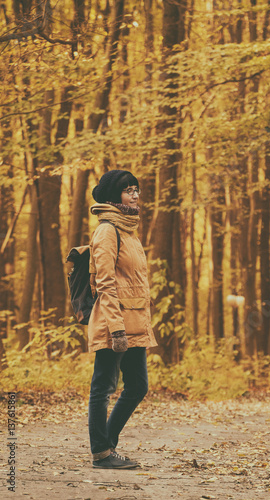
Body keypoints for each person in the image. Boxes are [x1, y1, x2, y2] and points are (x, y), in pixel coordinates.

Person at [88, 169, 157, 469]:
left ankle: (107, 444)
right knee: (103, 387)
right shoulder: (107, 231)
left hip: (135, 324)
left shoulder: (130, 232)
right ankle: (101, 453)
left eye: (136, 189)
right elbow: (105, 284)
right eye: (129, 189)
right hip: (114, 322)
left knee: (138, 386)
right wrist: (116, 330)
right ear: (114, 195)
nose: (135, 194)